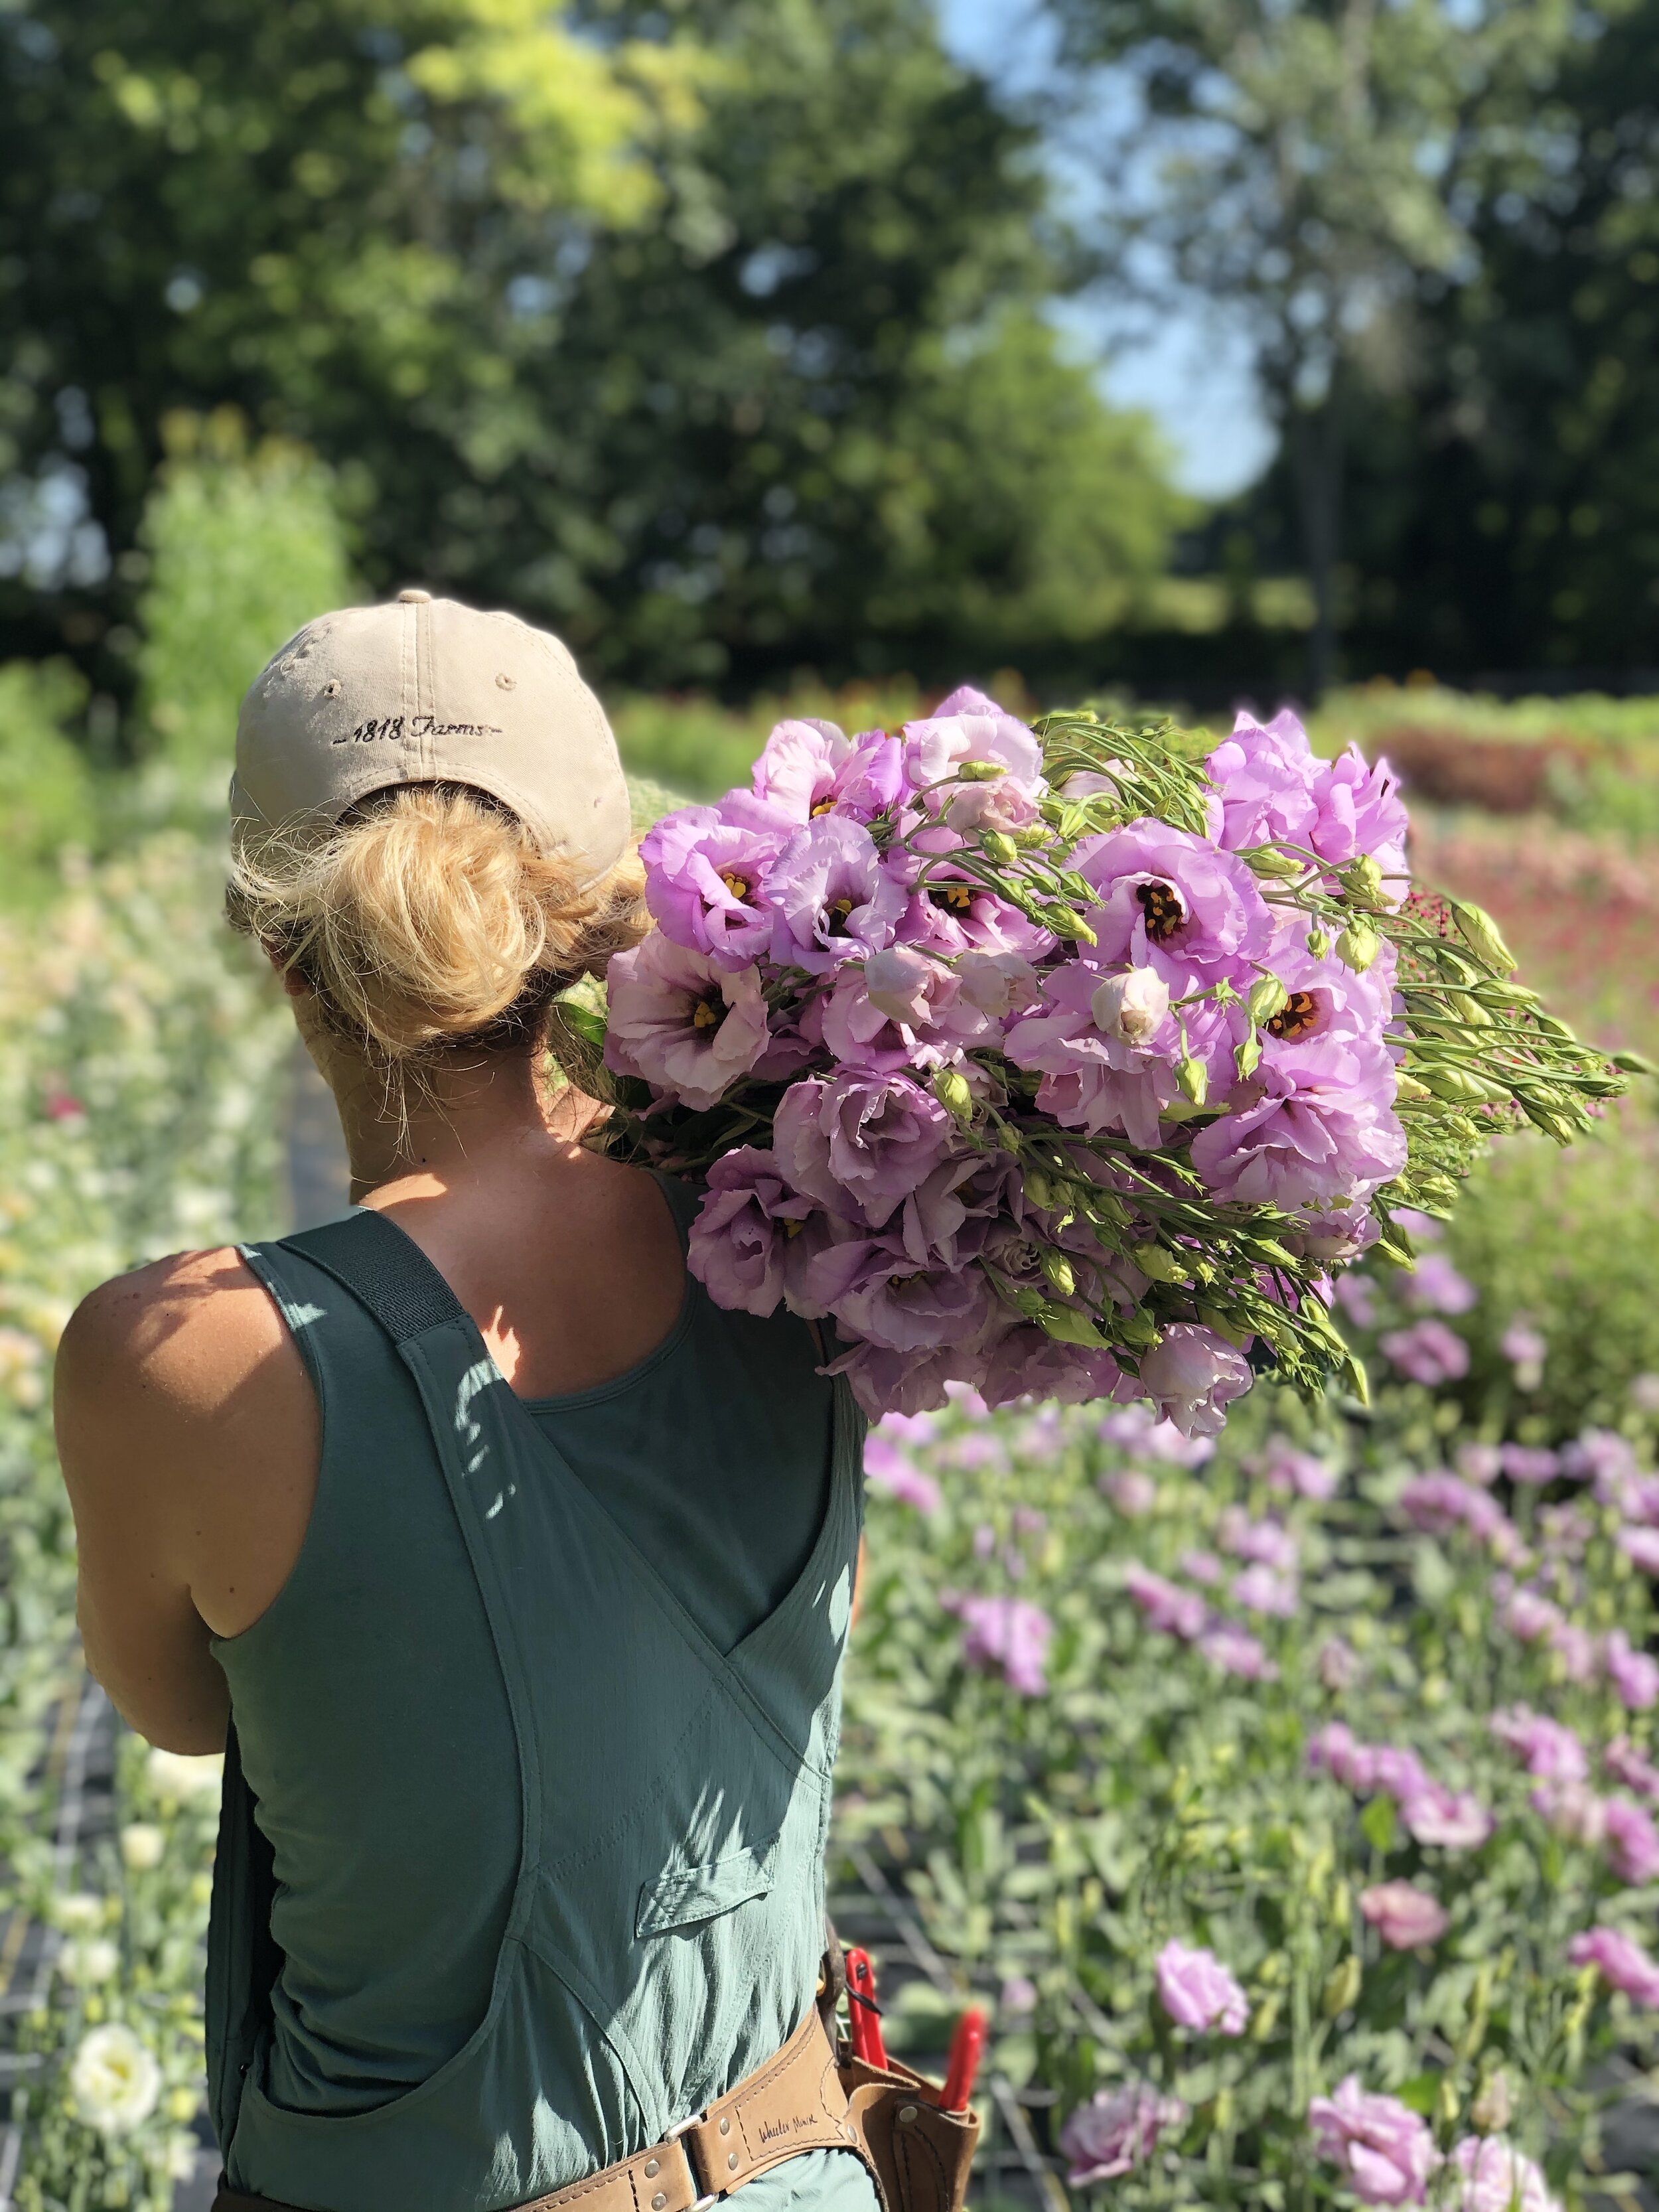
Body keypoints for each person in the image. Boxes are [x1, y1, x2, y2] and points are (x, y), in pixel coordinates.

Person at [54, 593, 879, 2212]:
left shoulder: (178, 1354)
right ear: (609, 912)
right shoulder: (807, 1212)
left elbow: (185, 1708)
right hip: (802, 2158)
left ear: (274, 943)